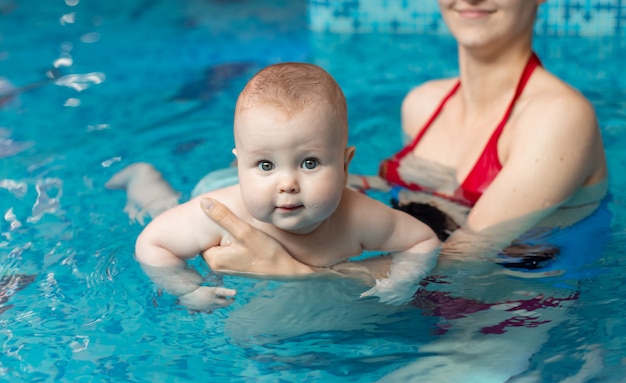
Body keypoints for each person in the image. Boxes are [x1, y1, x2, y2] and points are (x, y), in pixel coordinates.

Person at [199, 0, 608, 278]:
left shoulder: (558, 116)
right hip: (407, 281)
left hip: (512, 302)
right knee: (220, 187)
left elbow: (467, 258)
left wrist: (297, 272)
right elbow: (420, 196)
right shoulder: (422, 103)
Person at [120, 62, 440, 312]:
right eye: (265, 165)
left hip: (260, 185)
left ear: (344, 165)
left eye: (309, 163)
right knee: (161, 209)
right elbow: (152, 244)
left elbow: (422, 241)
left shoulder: (359, 217)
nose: (287, 184)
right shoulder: (217, 214)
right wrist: (188, 288)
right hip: (221, 188)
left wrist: (401, 281)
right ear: (243, 163)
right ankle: (143, 178)